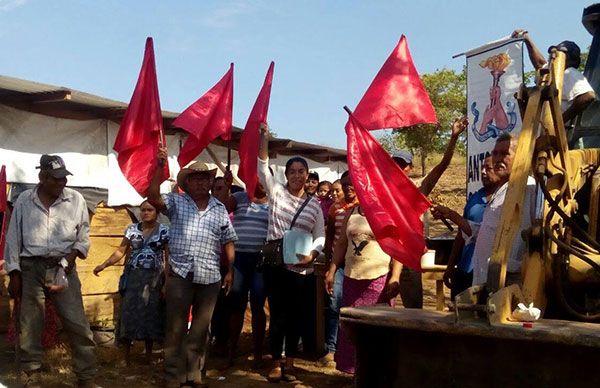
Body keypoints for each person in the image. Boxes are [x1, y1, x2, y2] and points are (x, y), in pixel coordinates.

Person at [4, 155, 97, 387]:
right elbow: (13, 238)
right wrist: (14, 273)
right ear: (42, 177)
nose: (61, 183)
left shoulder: (76, 199)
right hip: (30, 268)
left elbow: (83, 237)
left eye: (63, 178)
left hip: (63, 266)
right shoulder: (24, 200)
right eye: (55, 179)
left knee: (77, 324)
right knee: (29, 325)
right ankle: (31, 376)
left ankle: (86, 378)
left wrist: (68, 261)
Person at [147, 151, 237, 388]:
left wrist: (230, 270)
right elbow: (153, 196)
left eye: (205, 178)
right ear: (186, 182)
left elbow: (228, 240)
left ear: (210, 182)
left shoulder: (219, 208)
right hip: (180, 274)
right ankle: (172, 376)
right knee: (175, 328)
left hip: (210, 276)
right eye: (196, 178)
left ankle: (194, 373)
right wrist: (159, 167)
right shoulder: (176, 202)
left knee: (200, 329)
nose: (201, 182)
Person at [258, 123, 325, 383]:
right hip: (276, 266)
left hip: (302, 267)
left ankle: (291, 363)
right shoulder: (276, 193)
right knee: (277, 314)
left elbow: (321, 235)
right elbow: (262, 167)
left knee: (297, 316)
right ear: (286, 175)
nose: (297, 175)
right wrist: (264, 138)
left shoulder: (315, 205)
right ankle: (275, 362)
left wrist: (314, 255)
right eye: (293, 171)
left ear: (307, 175)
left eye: (301, 171)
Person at [325, 177, 401, 375]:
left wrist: (395, 277)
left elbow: (397, 249)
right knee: (353, 328)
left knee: (377, 329)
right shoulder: (352, 212)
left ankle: (377, 375)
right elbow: (341, 244)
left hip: (379, 280)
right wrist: (332, 270)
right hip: (352, 279)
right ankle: (357, 375)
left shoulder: (387, 214)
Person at [391, 117, 468, 308]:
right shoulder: (384, 190)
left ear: (410, 168)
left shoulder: (419, 188)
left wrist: (453, 138)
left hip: (409, 254)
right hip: (385, 252)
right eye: (394, 163)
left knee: (413, 309)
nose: (398, 168)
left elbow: (443, 165)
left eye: (403, 165)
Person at [93, 200, 168, 366]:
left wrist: (166, 282)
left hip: (154, 278)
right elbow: (121, 251)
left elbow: (168, 258)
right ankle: (124, 357)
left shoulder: (164, 231)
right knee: (128, 313)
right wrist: (104, 265)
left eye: (150, 209)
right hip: (133, 277)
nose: (145, 213)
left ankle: (148, 356)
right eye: (143, 210)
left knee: (151, 314)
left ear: (157, 212)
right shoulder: (132, 229)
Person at [471, 133, 537, 287]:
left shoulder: (527, 188)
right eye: (495, 153)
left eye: (505, 153)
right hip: (488, 279)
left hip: (507, 279)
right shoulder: (503, 188)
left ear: (520, 157)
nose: (498, 158)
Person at [430, 155, 501, 299]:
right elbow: (462, 234)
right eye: (482, 168)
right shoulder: (475, 198)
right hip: (465, 270)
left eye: (488, 168)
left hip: (488, 274)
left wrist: (451, 214)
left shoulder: (506, 200)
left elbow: (481, 233)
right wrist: (451, 265)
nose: (483, 172)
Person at [220, 175, 269, 368]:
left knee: (258, 306)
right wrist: (225, 185)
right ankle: (231, 351)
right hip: (238, 260)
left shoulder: (274, 203)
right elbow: (221, 208)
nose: (263, 184)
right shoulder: (240, 197)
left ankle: (257, 353)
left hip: (261, 262)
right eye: (259, 180)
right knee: (236, 306)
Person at [512, 29, 595, 125]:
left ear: (570, 58)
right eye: (553, 53)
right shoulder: (553, 74)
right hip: (544, 136)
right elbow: (540, 64)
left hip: (557, 137)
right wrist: (527, 39)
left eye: (559, 53)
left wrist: (558, 123)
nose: (553, 55)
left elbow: (587, 96)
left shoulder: (569, 72)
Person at [321, 171, 359, 366]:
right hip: (339, 264)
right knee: (335, 305)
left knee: (356, 308)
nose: (347, 188)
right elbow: (329, 236)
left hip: (358, 264)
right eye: (344, 184)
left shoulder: (363, 207)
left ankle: (354, 351)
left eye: (351, 183)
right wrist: (330, 264)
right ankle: (332, 349)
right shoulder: (335, 208)